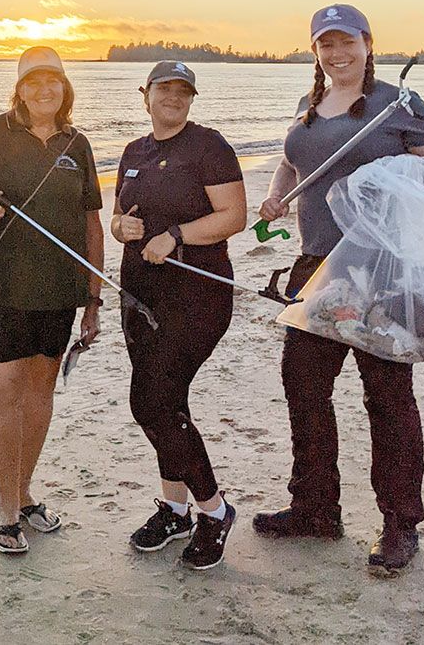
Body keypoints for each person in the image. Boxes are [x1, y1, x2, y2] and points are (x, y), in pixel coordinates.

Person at [254, 4, 424, 573]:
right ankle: (315, 509)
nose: (337, 53)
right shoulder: (308, 106)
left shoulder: (398, 105)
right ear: (315, 51)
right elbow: (293, 164)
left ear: (368, 44)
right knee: (304, 387)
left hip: (382, 268)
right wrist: (276, 196)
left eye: (346, 42)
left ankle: (400, 524)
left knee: (388, 396)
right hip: (315, 267)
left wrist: (391, 175)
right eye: (325, 44)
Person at [0, 47, 103, 554]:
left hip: (60, 292)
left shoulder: (77, 143)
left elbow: (91, 223)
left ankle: (24, 492)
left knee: (40, 394)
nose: (44, 91)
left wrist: (93, 298)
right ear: (19, 89)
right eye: (33, 82)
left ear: (65, 88)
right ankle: (6, 508)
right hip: (2, 289)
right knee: (5, 393)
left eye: (52, 81)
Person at [110, 61, 246, 569]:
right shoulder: (133, 151)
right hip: (139, 295)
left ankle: (214, 510)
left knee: (151, 402)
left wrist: (177, 236)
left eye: (183, 91)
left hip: (197, 296)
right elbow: (120, 216)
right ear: (144, 95)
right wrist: (121, 228)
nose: (173, 97)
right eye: (164, 89)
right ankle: (175, 510)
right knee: (169, 403)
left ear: (192, 98)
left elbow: (234, 215)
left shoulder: (209, 146)